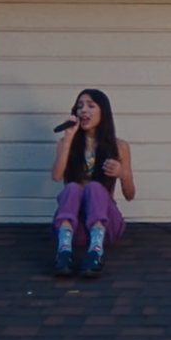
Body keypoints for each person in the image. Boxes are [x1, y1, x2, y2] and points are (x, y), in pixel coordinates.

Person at [51, 88, 135, 277]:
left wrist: (122, 173)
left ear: (102, 112)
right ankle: (63, 252)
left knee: (94, 187)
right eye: (79, 107)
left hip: (105, 225)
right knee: (72, 187)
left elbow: (130, 195)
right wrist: (69, 138)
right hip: (76, 228)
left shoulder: (119, 146)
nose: (84, 111)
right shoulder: (65, 143)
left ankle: (96, 252)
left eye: (90, 106)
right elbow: (56, 176)